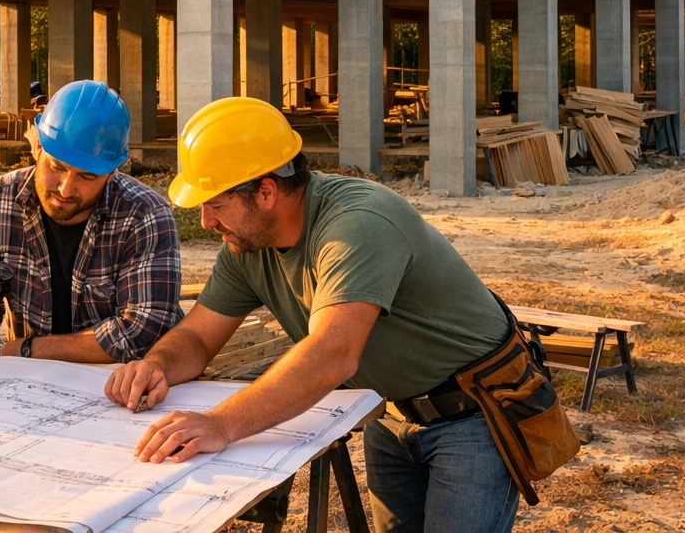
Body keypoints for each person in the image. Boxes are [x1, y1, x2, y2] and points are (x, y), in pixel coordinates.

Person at [104, 97, 519, 533]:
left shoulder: (356, 223)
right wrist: (156, 365)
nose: (206, 221)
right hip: (391, 412)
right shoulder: (248, 244)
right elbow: (199, 336)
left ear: (265, 192)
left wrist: (222, 424)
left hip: (472, 414)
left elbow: (333, 353)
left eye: (215, 204)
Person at [0, 80, 181, 362]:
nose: (65, 189)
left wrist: (28, 349)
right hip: (25, 383)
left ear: (112, 171)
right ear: (36, 148)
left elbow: (143, 329)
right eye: (56, 167)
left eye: (87, 177)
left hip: (117, 386)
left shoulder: (144, 216)